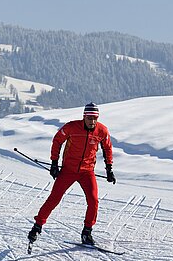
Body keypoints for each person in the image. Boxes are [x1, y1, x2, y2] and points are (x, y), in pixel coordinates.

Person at [28, 102, 116, 246]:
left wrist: (109, 169)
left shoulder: (102, 131)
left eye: (95, 118)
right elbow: (57, 141)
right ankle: (37, 226)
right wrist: (54, 163)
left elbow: (107, 148)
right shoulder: (71, 127)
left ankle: (87, 232)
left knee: (93, 201)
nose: (92, 121)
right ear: (84, 117)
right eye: (89, 118)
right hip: (68, 170)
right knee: (54, 198)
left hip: (87, 172)